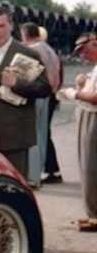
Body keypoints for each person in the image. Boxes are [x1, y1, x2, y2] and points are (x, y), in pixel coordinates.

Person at [0, 6, 51, 176]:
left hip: (15, 136)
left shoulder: (28, 53)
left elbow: (45, 88)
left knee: (15, 186)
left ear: (11, 26)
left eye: (1, 26)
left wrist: (16, 83)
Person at [20, 22, 62, 187]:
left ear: (24, 34)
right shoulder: (49, 50)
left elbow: (25, 75)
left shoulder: (32, 51)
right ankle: (42, 172)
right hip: (48, 95)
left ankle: (33, 175)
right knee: (42, 134)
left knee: (32, 135)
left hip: (36, 94)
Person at [66, 33, 97, 231]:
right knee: (88, 166)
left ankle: (95, 216)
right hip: (89, 114)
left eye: (86, 51)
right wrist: (82, 84)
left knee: (91, 166)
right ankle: (93, 213)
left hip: (94, 117)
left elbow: (95, 97)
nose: (83, 56)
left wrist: (74, 93)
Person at [39, 25, 64, 184]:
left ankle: (51, 169)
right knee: (46, 133)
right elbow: (60, 75)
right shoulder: (52, 52)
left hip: (44, 96)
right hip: (52, 95)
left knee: (43, 134)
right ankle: (52, 170)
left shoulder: (39, 52)